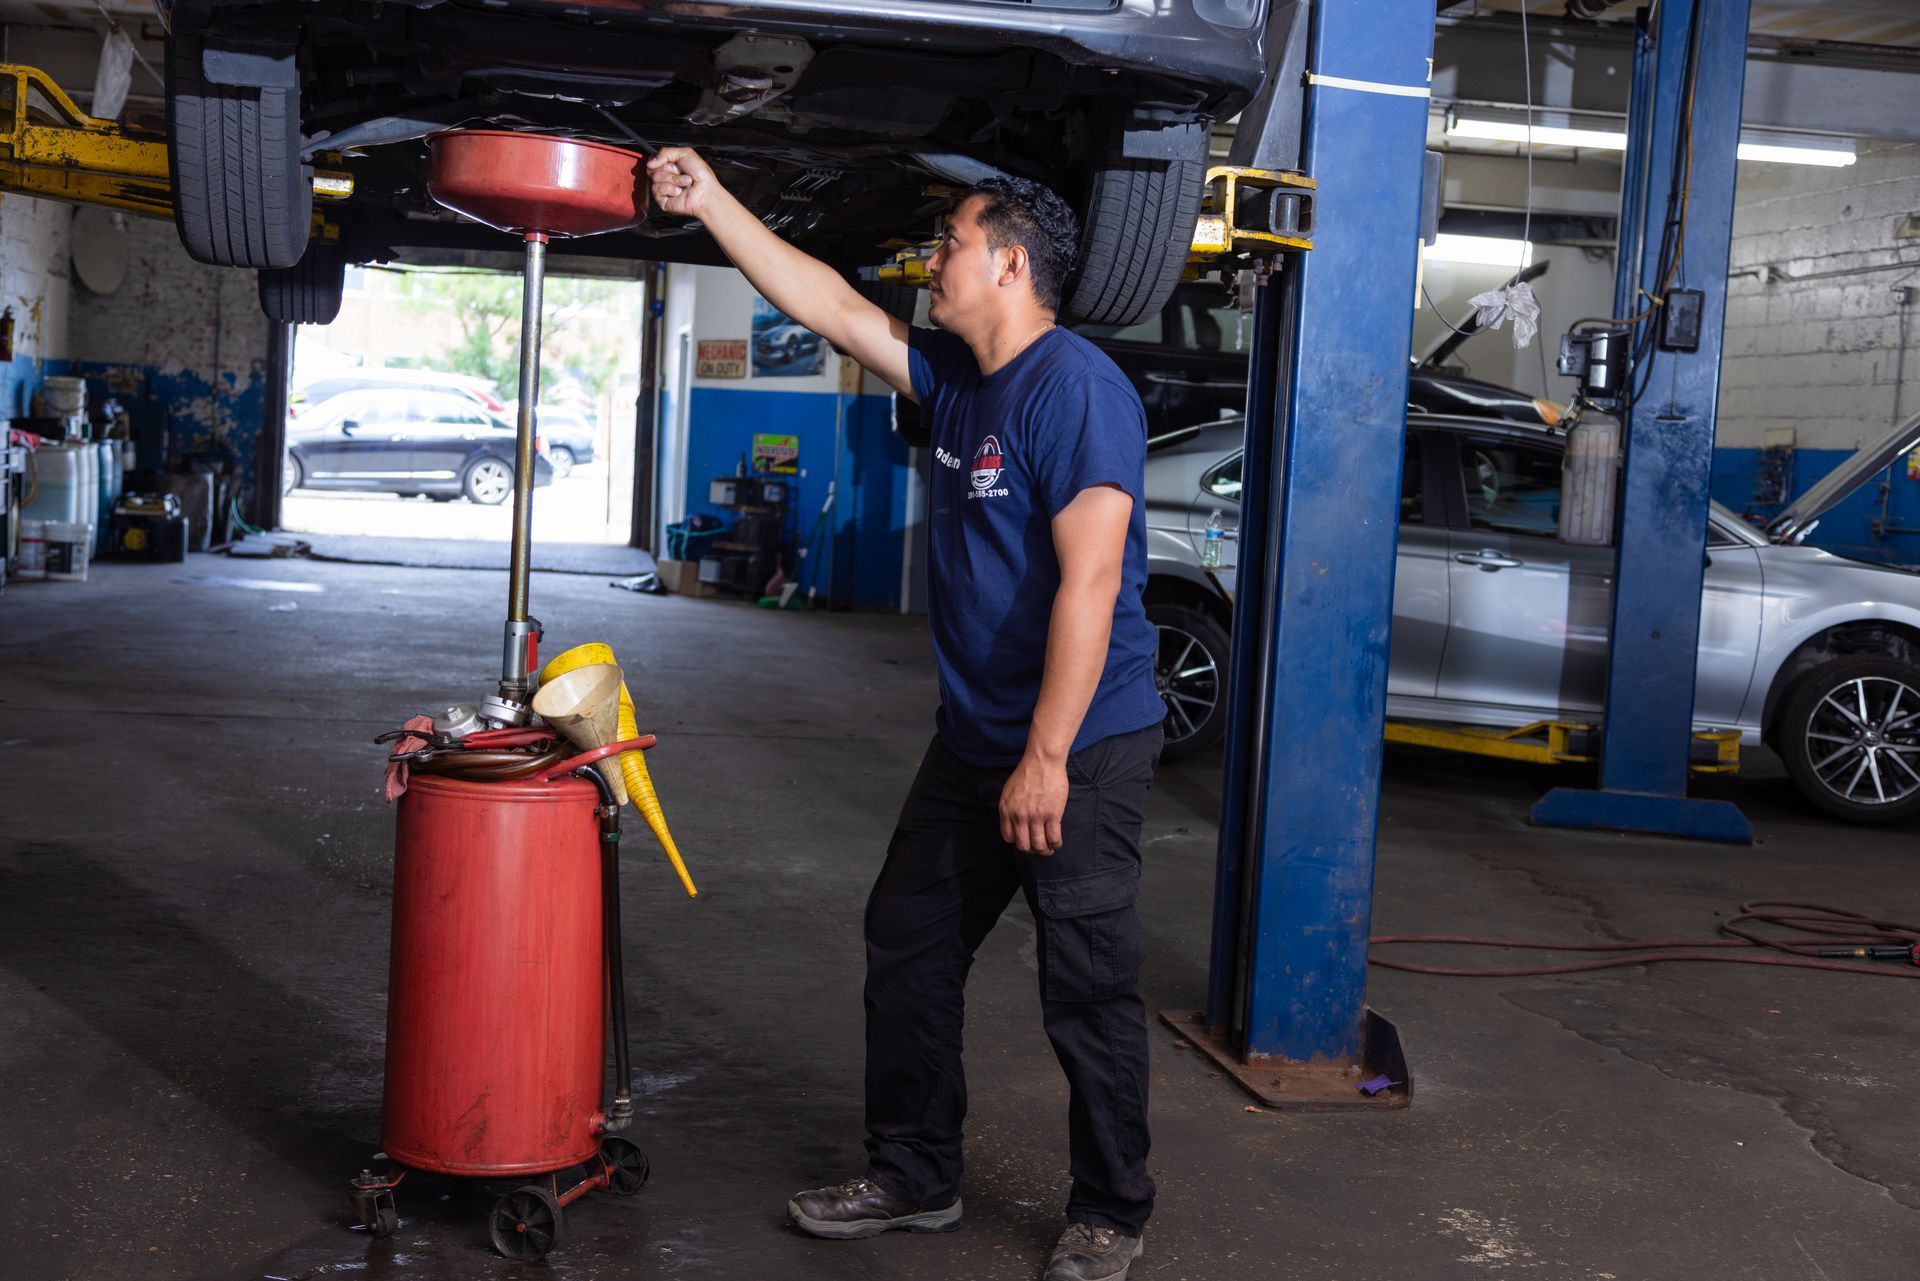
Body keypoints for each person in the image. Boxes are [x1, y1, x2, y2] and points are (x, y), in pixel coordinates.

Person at [647, 147, 1166, 1281]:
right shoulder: (957, 378)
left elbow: (1090, 582)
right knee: (911, 941)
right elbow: (829, 302)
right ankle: (916, 1174)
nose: (933, 262)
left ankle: (1112, 1209)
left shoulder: (1075, 389)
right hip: (975, 741)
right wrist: (713, 200)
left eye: (953, 246)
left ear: (1012, 264)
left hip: (1078, 742)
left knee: (1085, 982)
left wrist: (1045, 759)